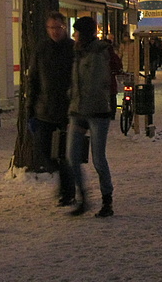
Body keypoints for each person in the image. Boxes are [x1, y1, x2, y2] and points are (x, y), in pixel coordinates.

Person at [25, 11, 75, 204]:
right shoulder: (41, 49)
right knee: (45, 152)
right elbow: (33, 79)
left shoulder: (72, 49)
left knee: (65, 154)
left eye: (58, 27)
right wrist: (31, 108)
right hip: (44, 110)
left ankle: (67, 190)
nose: (55, 31)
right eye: (51, 28)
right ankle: (66, 184)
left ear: (65, 27)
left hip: (66, 111)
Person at [67, 15, 115, 218]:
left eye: (76, 31)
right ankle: (83, 197)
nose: (74, 35)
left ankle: (107, 200)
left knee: (98, 159)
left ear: (84, 34)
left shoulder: (98, 53)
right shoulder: (77, 53)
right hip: (78, 110)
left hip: (97, 112)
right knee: (71, 156)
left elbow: (96, 84)